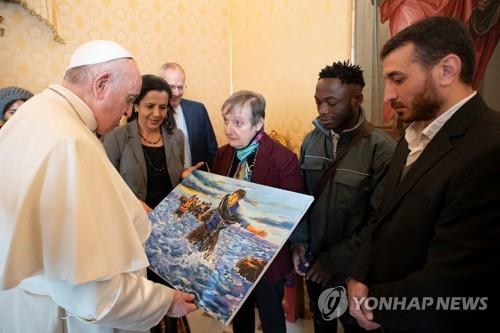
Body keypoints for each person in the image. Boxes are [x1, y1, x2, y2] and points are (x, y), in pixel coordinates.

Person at [0, 40, 197, 333]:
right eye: (130, 99)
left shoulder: (38, 112)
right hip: (57, 315)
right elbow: (92, 293)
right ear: (101, 84)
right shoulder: (70, 140)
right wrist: (164, 301)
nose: (129, 111)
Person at [347, 17, 500, 332]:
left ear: (447, 70)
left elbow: (453, 279)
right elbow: (382, 217)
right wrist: (357, 276)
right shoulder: (412, 134)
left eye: (398, 79)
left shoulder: (491, 147)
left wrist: (373, 305)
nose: (388, 95)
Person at [289, 61, 395, 333]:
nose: (323, 111)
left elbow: (380, 221)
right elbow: (300, 198)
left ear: (357, 100)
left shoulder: (382, 149)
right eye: (318, 102)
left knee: (353, 325)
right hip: (314, 263)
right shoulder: (311, 141)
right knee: (322, 321)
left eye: (332, 103)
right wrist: (299, 243)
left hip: (353, 270)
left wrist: (333, 261)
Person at [211, 90, 304, 333]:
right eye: (226, 121)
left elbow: (292, 211)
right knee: (240, 316)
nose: (229, 129)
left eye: (238, 123)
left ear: (258, 123)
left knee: (271, 316)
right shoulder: (223, 154)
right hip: (232, 254)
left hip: (266, 256)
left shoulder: (283, 159)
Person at [102, 74, 184, 213]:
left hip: (170, 221)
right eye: (150, 106)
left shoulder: (177, 137)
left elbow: (176, 183)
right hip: (132, 222)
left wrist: (187, 176)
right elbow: (107, 187)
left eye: (163, 107)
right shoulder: (115, 137)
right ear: (136, 105)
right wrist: (135, 205)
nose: (157, 113)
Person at [159, 62, 218, 167]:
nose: (176, 93)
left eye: (180, 87)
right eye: (171, 87)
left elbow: (212, 151)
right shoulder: (152, 115)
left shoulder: (198, 110)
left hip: (196, 178)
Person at [186, 189, 266, 260]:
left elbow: (245, 223)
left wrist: (257, 231)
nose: (232, 198)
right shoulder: (225, 199)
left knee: (206, 256)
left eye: (236, 198)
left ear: (239, 200)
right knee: (187, 241)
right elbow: (217, 209)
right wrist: (205, 214)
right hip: (205, 226)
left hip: (215, 232)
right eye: (233, 195)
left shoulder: (237, 211)